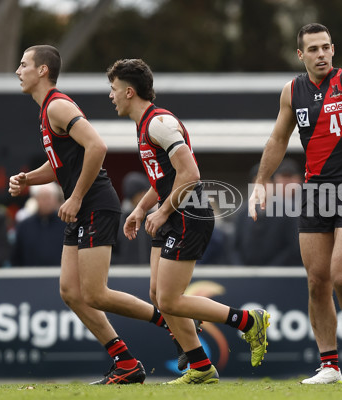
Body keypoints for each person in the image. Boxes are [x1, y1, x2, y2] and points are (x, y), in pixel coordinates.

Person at [10, 45, 187, 385]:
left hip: (93, 203)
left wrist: (75, 197)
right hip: (81, 205)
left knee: (94, 293)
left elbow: (98, 147)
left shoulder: (58, 105)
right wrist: (29, 178)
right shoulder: (48, 110)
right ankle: (125, 363)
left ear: (43, 71)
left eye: (23, 65)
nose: (18, 71)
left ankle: (175, 323)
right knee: (70, 291)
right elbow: (61, 163)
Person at [248, 6, 342, 384]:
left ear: (333, 50)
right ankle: (329, 365)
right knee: (317, 281)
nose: (320, 54)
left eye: (325, 48)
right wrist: (262, 183)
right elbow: (278, 138)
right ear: (300, 54)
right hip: (316, 193)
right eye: (312, 49)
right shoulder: (292, 91)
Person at [106, 58, 270, 385]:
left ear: (128, 91)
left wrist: (164, 211)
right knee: (158, 294)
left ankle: (249, 322)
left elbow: (191, 174)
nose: (110, 96)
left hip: (187, 216)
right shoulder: (144, 125)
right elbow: (164, 180)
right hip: (172, 214)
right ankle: (200, 367)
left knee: (169, 299)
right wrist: (141, 210)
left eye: (112, 90)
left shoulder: (158, 123)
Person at [233, 160, 302, 266]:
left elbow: (292, 247)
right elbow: (234, 246)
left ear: (274, 185)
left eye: (266, 183)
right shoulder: (242, 213)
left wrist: (271, 270)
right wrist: (242, 269)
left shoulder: (288, 212)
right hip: (246, 274)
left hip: (279, 275)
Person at [11, 182, 67, 266]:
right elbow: (16, 256)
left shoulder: (66, 224)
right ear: (35, 200)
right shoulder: (24, 226)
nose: (46, 202)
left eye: (49, 198)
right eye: (43, 198)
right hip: (30, 275)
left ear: (56, 200)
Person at [112, 171, 152, 265]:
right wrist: (123, 266)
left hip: (152, 276)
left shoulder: (154, 219)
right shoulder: (118, 222)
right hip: (125, 278)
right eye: (144, 192)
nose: (147, 196)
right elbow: (110, 253)